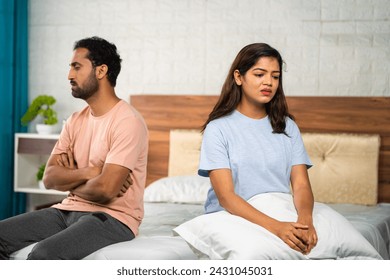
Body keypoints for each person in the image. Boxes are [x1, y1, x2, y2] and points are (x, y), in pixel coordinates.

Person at [0, 36, 148, 260]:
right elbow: (50, 178)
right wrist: (91, 172)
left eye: (77, 67)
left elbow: (106, 190)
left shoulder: (128, 121)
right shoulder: (74, 121)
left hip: (113, 217)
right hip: (67, 209)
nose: (70, 75)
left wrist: (71, 179)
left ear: (101, 71)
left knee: (43, 254)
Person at [198, 43, 317, 255]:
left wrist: (305, 222)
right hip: (231, 217)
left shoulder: (288, 126)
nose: (268, 82)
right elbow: (226, 197)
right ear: (238, 77)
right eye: (260, 74)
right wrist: (278, 227)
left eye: (275, 76)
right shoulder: (218, 129)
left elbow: (300, 185)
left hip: (280, 210)